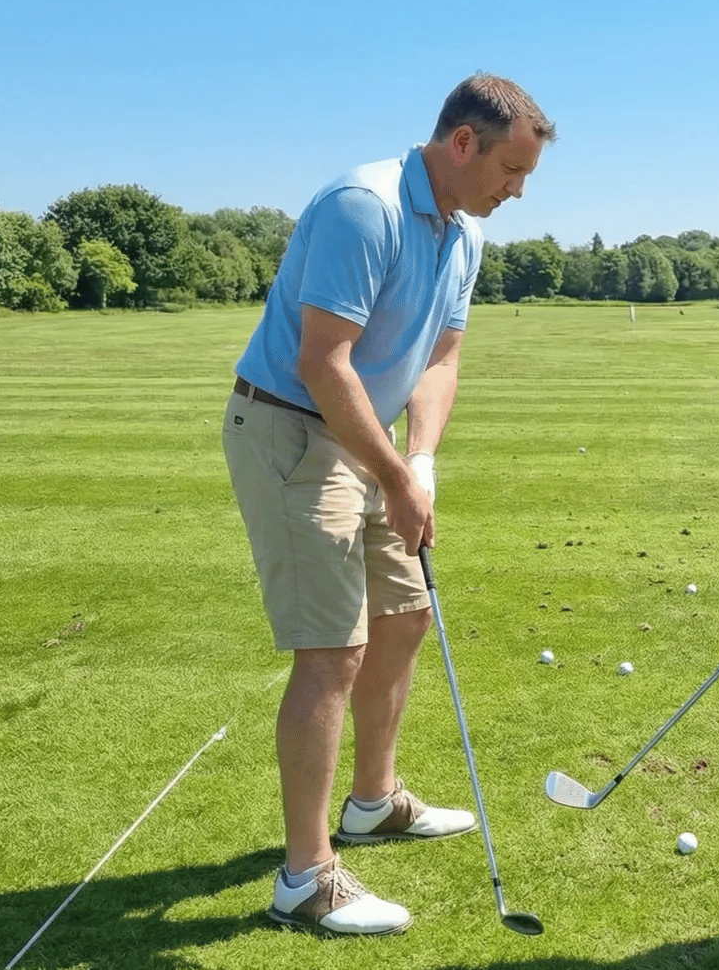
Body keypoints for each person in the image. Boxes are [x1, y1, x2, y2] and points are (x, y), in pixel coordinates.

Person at [221, 73, 555, 937]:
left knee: (404, 616)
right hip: (296, 432)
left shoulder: (464, 233)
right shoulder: (360, 207)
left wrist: (423, 461)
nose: (516, 190)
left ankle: (372, 801)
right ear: (464, 143)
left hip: (367, 438)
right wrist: (396, 475)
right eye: (512, 170)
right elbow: (322, 362)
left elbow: (441, 359)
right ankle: (305, 878)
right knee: (333, 650)